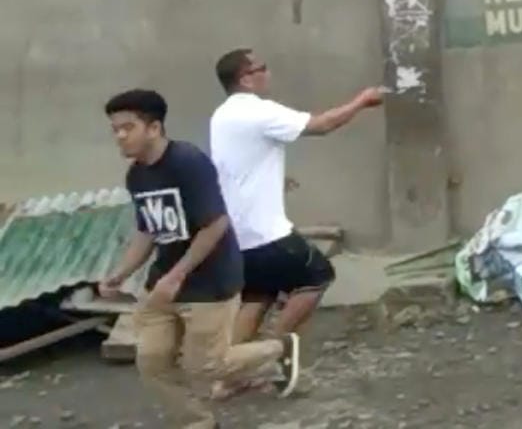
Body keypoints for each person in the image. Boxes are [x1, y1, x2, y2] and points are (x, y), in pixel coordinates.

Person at [99, 88, 298, 429]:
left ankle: (279, 349)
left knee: (205, 366)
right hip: (165, 284)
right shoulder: (137, 175)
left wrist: (177, 275)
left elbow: (216, 223)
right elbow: (149, 230)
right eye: (115, 128)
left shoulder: (188, 162)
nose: (119, 136)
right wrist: (121, 272)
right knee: (152, 362)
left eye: (127, 127)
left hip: (210, 281)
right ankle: (197, 423)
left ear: (154, 128)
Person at [208, 48, 384, 350]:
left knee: (258, 295)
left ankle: (227, 374)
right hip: (266, 231)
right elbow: (321, 125)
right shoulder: (258, 111)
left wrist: (275, 181)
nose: (268, 73)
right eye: (262, 68)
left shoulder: (222, 116)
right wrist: (362, 101)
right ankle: (271, 349)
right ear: (246, 79)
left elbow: (239, 164)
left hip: (237, 234)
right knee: (317, 275)